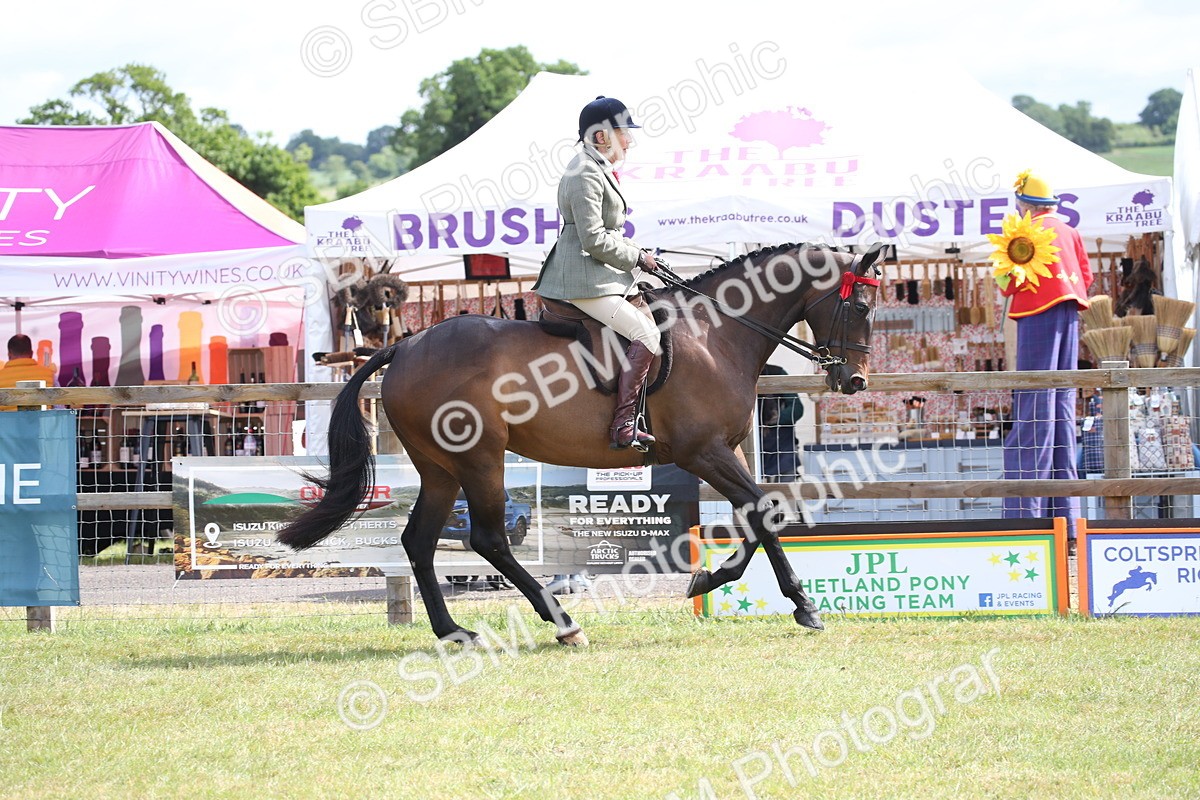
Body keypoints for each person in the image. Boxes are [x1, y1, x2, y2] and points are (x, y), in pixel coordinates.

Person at [533, 96, 664, 450]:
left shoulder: (597, 167)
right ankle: (623, 425)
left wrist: (641, 254)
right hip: (583, 278)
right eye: (624, 134)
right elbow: (592, 239)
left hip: (600, 274)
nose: (630, 141)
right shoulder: (584, 171)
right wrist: (638, 257)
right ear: (602, 136)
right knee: (647, 335)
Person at [995, 171, 1093, 537]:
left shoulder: (1025, 233)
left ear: (1024, 204)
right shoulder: (1071, 231)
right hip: (1070, 316)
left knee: (1034, 414)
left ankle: (1027, 522)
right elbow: (1087, 276)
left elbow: (1008, 281)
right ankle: (1066, 524)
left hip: (1037, 316)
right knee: (1062, 414)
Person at [758, 364, 803, 481]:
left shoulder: (777, 372)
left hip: (781, 442)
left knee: (786, 483)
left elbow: (797, 408)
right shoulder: (737, 372)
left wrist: (778, 419)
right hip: (754, 441)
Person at [0, 334, 57, 410]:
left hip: (7, 421)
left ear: (9, 354)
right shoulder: (50, 375)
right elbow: (59, 408)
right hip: (42, 421)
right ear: (31, 353)